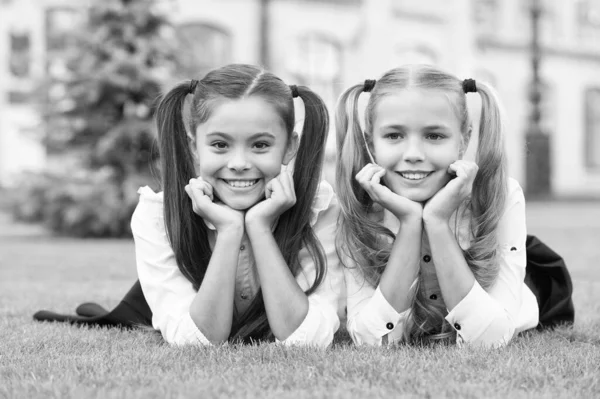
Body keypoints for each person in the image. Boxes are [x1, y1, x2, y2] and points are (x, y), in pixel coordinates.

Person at [34, 64, 343, 347]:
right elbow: (196, 341)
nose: (238, 163)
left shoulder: (320, 209)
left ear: (290, 147)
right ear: (195, 147)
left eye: (260, 145)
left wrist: (259, 228)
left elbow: (307, 339)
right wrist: (229, 230)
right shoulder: (156, 215)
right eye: (220, 145)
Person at [334, 65, 574, 348]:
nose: (413, 154)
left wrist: (436, 222)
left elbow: (489, 339)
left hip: (524, 289)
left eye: (434, 136)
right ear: (371, 144)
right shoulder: (357, 205)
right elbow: (371, 340)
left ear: (464, 140)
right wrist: (411, 223)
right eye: (394, 136)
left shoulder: (502, 194)